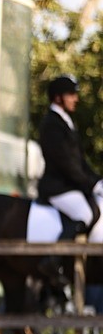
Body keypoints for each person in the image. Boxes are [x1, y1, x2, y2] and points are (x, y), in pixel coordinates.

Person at [37, 74, 103, 278]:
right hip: (57, 186)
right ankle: (53, 260)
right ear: (58, 98)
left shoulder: (66, 122)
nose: (76, 99)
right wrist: (90, 185)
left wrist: (97, 180)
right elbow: (65, 163)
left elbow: (80, 161)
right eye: (71, 95)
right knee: (86, 214)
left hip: (70, 184)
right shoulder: (51, 124)